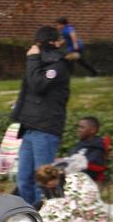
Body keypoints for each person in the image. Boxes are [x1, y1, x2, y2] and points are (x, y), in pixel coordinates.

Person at [11, 26, 71, 208]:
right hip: (29, 128)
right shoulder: (38, 64)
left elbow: (38, 84)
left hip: (45, 130)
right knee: (23, 180)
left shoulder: (58, 65)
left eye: (38, 45)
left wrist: (33, 59)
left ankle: (46, 219)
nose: (35, 48)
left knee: (43, 181)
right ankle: (28, 216)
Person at [36, 163, 107, 222]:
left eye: (47, 185)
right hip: (90, 212)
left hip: (90, 217)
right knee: (51, 208)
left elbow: (72, 207)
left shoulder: (72, 181)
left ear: (50, 181)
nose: (48, 187)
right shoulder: (66, 177)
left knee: (53, 210)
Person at [62, 116, 107, 181]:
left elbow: (89, 163)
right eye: (78, 127)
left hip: (84, 176)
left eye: (82, 127)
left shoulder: (97, 146)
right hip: (72, 172)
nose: (78, 130)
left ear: (92, 130)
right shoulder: (82, 143)